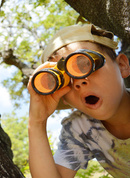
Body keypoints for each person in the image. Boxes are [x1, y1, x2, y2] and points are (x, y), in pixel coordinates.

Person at [27, 24, 130, 178]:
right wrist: (36, 123)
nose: (78, 82)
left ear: (121, 66)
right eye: (65, 80)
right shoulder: (80, 128)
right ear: (64, 99)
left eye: (85, 64)